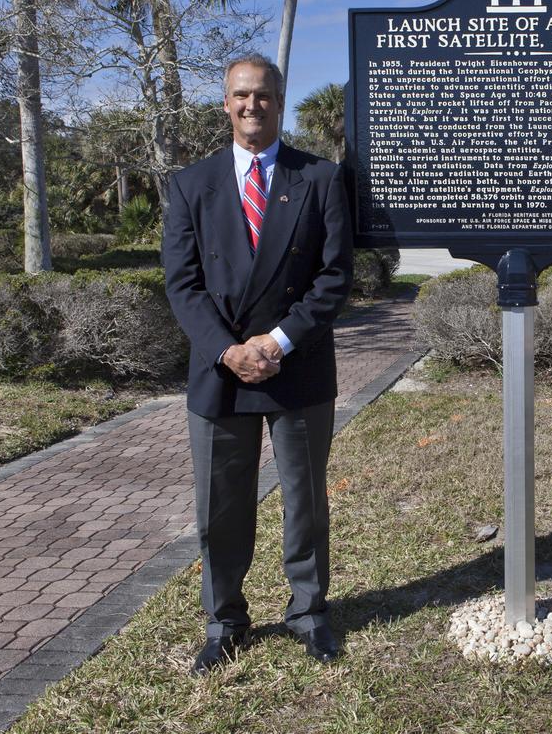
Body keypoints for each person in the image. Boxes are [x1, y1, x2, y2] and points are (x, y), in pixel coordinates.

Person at [163, 53, 354, 675]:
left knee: (304, 498)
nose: (252, 105)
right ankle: (224, 618)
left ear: (280, 100)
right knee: (221, 503)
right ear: (226, 103)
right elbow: (183, 285)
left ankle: (308, 610)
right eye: (241, 95)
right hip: (219, 371)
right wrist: (230, 349)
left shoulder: (320, 177)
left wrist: (276, 342)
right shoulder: (191, 184)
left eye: (264, 96)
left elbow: (334, 277)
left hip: (295, 365)